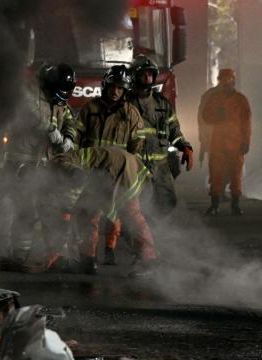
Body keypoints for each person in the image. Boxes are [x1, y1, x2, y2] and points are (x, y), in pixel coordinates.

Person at [0, 63, 77, 273]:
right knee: (26, 211)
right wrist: (52, 131)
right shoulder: (30, 97)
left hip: (46, 162)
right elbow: (34, 117)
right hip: (22, 162)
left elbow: (70, 119)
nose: (63, 96)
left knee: (51, 210)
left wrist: (69, 137)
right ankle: (17, 256)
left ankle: (55, 255)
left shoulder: (59, 102)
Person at [74, 65, 145, 267]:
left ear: (125, 91)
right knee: (89, 215)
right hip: (93, 173)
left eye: (120, 88)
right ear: (106, 85)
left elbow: (137, 147)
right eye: (113, 86)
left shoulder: (131, 114)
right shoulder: (90, 109)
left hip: (120, 175)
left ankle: (146, 259)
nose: (115, 91)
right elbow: (77, 139)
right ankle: (88, 259)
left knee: (131, 216)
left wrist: (132, 173)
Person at [49, 146, 156, 276]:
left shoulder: (66, 169)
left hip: (123, 169)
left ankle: (148, 261)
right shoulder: (61, 167)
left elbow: (69, 202)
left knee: (131, 215)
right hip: (106, 171)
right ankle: (87, 261)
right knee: (86, 212)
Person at [127, 55, 193, 217]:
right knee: (134, 205)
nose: (147, 77)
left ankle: (154, 232)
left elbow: (174, 130)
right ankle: (135, 234)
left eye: (150, 74)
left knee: (167, 202)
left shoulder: (162, 103)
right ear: (134, 76)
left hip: (160, 165)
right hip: (134, 164)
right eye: (143, 74)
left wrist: (185, 147)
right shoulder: (125, 102)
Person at [201, 68, 251, 215]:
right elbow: (205, 117)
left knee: (236, 175)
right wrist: (216, 117)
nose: (227, 83)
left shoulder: (241, 100)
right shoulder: (214, 99)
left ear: (233, 81)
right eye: (224, 80)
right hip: (218, 143)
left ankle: (235, 205)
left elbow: (246, 123)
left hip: (236, 144)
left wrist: (246, 142)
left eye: (229, 80)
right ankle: (215, 205)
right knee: (216, 174)